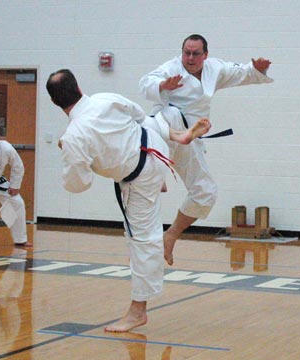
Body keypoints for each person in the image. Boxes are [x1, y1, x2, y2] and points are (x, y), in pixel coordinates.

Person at [45, 69, 209, 333]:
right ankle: (179, 136)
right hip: (157, 148)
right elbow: (139, 116)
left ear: (55, 102)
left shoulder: (73, 136)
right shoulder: (105, 98)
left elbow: (79, 184)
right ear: (78, 88)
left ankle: (137, 311)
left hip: (141, 178)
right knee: (148, 120)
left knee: (141, 240)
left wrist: (70, 152)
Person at [139, 33, 273, 266]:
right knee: (169, 115)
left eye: (195, 53)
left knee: (205, 193)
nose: (189, 58)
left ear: (205, 55)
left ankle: (170, 235)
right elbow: (145, 83)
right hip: (165, 130)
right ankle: (158, 168)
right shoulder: (171, 68)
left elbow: (241, 73)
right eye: (186, 53)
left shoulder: (214, 69)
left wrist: (257, 69)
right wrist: (162, 85)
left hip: (192, 137)